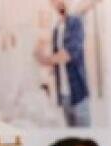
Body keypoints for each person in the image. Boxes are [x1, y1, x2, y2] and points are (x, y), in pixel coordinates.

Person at [37, 0, 92, 128]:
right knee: (71, 135)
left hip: (77, 94)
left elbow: (68, 54)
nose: (58, 2)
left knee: (83, 136)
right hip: (63, 95)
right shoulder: (56, 29)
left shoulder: (76, 22)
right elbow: (56, 61)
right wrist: (40, 56)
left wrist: (45, 60)